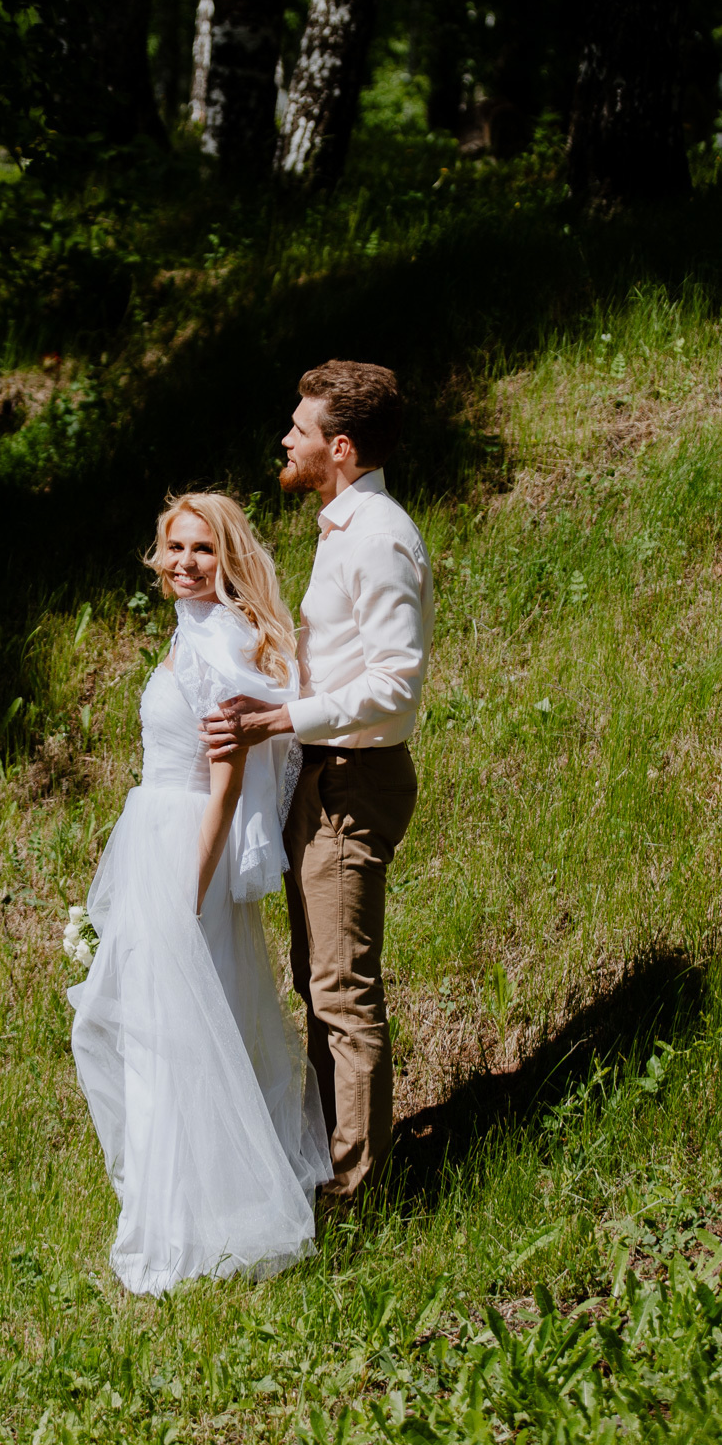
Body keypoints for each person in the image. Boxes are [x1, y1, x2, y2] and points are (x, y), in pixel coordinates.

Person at [68, 492, 332, 1296]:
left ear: (229, 559)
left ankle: (197, 1228)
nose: (184, 563)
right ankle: (172, 1211)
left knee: (174, 1036)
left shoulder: (220, 647)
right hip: (155, 836)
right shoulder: (189, 637)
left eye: (203, 550)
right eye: (174, 548)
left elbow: (224, 785)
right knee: (151, 1032)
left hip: (187, 850)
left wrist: (187, 893)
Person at [202, 362, 434, 1203]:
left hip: (354, 780)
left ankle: (359, 1191)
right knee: (317, 980)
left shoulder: (376, 538)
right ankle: (330, 1158)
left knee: (340, 990)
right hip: (325, 775)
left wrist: (277, 722)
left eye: (299, 430)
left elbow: (394, 685)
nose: (285, 440)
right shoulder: (344, 531)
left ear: (338, 448)